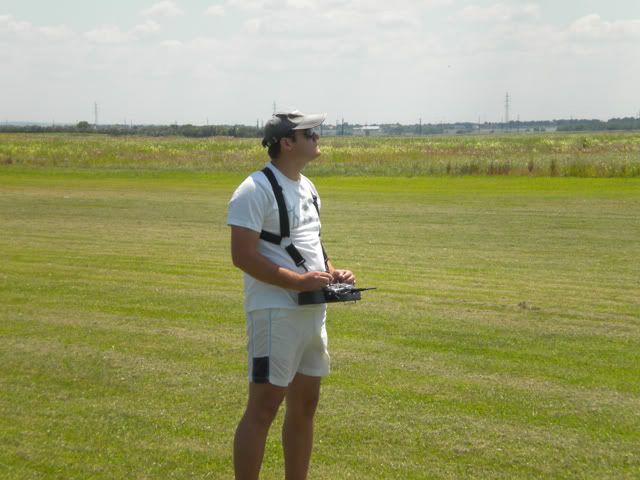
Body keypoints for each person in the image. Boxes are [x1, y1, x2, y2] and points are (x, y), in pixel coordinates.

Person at [227, 110, 355, 480]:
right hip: (275, 312)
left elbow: (309, 244)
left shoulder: (308, 187)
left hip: (312, 310)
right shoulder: (254, 189)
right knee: (264, 407)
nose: (317, 137)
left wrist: (333, 273)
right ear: (287, 142)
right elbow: (242, 255)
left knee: (306, 405)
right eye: (309, 133)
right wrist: (296, 282)